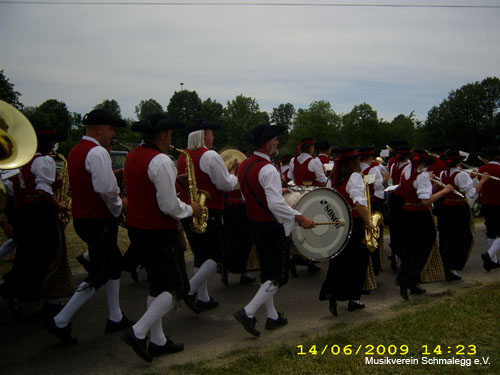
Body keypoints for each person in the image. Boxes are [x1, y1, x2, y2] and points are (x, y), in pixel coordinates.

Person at [46, 109, 133, 344]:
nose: (113, 134)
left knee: (113, 265)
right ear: (99, 129)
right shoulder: (97, 152)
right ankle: (61, 320)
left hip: (85, 218)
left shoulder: (76, 150)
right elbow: (105, 189)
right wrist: (119, 205)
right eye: (111, 129)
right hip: (99, 220)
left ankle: (115, 316)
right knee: (100, 273)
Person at [120, 114, 202, 362]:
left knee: (157, 284)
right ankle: (138, 331)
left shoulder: (132, 156)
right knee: (176, 287)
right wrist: (191, 209)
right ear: (163, 135)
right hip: (159, 231)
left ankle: (158, 341)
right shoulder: (161, 161)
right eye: (170, 135)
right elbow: (168, 205)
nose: (171, 139)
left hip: (138, 228)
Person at [234, 123, 315, 337]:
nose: (278, 142)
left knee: (267, 274)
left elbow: (248, 195)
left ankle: (273, 317)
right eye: (276, 140)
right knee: (279, 276)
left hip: (255, 225)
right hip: (271, 227)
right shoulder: (268, 169)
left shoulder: (244, 165)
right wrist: (300, 217)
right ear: (268, 144)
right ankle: (248, 312)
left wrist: (278, 190)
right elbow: (276, 205)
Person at [1, 128, 71, 316]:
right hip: (40, 213)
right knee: (45, 252)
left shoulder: (22, 161)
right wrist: (59, 205)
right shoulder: (44, 160)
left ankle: (18, 289)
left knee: (27, 253)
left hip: (25, 212)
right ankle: (21, 290)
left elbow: (15, 188)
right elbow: (41, 190)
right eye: (53, 142)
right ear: (49, 143)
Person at [176, 121, 239, 310]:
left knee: (200, 255)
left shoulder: (182, 156)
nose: (213, 137)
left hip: (188, 210)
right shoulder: (210, 155)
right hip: (208, 210)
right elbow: (225, 184)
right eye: (211, 134)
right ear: (204, 135)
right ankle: (189, 290)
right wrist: (233, 174)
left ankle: (203, 297)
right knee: (218, 254)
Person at [319, 147, 375, 316]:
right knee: (358, 261)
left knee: (339, 260)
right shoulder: (355, 177)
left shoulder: (334, 179)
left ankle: (333, 293)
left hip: (340, 224)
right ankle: (354, 299)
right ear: (354, 161)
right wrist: (369, 223)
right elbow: (359, 203)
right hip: (354, 222)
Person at [397, 150, 453, 300]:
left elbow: (420, 193)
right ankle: (410, 278)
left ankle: (411, 281)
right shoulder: (421, 176)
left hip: (407, 212)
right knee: (424, 246)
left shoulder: (405, 172)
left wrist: (433, 184)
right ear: (423, 163)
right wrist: (444, 191)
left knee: (410, 248)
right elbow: (426, 201)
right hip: (420, 215)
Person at [438, 150, 489, 281]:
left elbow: (459, 185)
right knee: (462, 237)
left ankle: (447, 265)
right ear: (459, 162)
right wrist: (482, 181)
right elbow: (471, 193)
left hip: (447, 207)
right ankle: (453, 266)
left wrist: (470, 178)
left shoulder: (444, 173)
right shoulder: (460, 175)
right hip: (459, 208)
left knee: (448, 237)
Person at [359, 146, 385, 275]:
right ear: (370, 157)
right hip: (372, 204)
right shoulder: (374, 169)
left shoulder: (355, 168)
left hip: (358, 206)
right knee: (374, 235)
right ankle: (374, 268)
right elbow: (379, 187)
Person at [387, 144, 411, 271]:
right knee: (404, 227)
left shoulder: (392, 163)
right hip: (403, 197)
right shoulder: (408, 167)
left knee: (395, 226)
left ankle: (395, 252)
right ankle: (402, 254)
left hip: (394, 195)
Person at [478, 147, 500, 271]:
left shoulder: (482, 169)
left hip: (486, 203)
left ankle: (493, 260)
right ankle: (489, 254)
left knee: (491, 231)